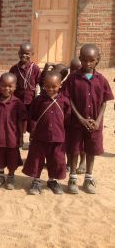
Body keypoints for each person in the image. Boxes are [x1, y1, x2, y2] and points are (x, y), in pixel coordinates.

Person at [64, 44, 113, 194]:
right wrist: (80, 119)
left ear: (97, 60)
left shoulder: (101, 80)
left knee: (91, 149)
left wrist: (97, 121)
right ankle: (72, 178)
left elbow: (104, 101)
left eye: (91, 60)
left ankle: (88, 178)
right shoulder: (73, 78)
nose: (88, 63)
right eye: (84, 60)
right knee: (74, 149)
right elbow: (69, 99)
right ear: (80, 59)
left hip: (94, 125)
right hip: (76, 124)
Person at [23, 72, 70, 195]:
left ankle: (52, 180)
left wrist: (65, 135)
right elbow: (32, 117)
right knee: (37, 159)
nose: (50, 89)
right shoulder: (38, 100)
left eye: (54, 86)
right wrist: (32, 131)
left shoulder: (64, 101)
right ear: (43, 85)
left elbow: (68, 119)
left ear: (60, 85)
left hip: (58, 137)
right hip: (40, 136)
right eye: (47, 86)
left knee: (56, 160)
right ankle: (36, 181)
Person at [0, 73, 27, 190]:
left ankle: (10, 176)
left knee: (12, 158)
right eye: (4, 85)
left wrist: (21, 137)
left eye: (10, 86)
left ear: (15, 87)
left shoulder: (18, 103)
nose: (7, 88)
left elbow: (21, 121)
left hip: (12, 137)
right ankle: (0, 176)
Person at [9, 42, 41, 133]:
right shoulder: (14, 68)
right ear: (18, 53)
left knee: (32, 121)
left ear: (32, 54)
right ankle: (20, 138)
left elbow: (39, 82)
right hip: (18, 99)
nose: (24, 55)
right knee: (18, 119)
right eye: (22, 53)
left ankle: (31, 139)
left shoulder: (35, 68)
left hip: (31, 100)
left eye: (27, 53)